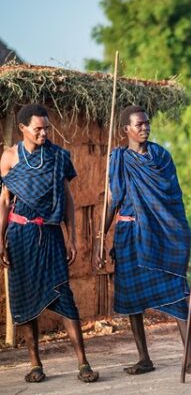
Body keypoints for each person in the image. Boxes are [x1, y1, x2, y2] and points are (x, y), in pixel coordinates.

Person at [94, 105, 191, 376]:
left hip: (159, 236)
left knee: (178, 294)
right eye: (139, 125)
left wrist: (178, 233)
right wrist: (102, 238)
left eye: (147, 123)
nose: (145, 128)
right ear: (126, 130)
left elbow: (171, 198)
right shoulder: (118, 159)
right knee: (132, 300)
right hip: (128, 236)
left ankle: (190, 359)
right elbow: (112, 200)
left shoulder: (161, 156)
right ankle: (144, 358)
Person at [0, 104, 99, 383]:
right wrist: (0, 240)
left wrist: (73, 236)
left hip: (51, 235)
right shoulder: (8, 158)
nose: (44, 133)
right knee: (24, 299)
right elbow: (5, 201)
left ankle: (83, 363)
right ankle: (35, 364)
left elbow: (67, 198)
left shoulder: (58, 157)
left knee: (64, 296)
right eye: (38, 129)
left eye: (47, 127)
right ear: (23, 129)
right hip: (19, 236)